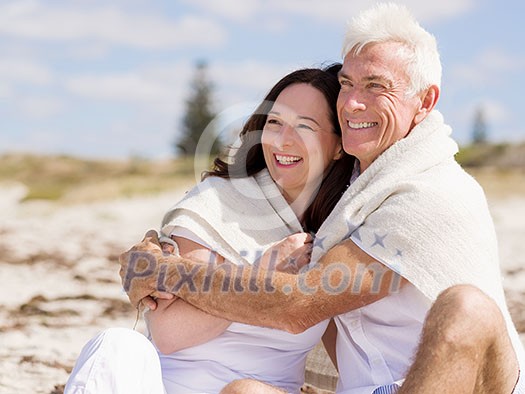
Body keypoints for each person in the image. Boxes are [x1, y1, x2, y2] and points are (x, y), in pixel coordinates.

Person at [120, 3, 525, 394]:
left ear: (425, 101)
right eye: (347, 83)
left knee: (466, 306)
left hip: (449, 383)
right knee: (245, 391)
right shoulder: (350, 190)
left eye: (376, 86)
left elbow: (298, 305)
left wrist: (168, 273)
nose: (351, 102)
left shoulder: (427, 192)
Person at [65, 65, 355, 394]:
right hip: (167, 386)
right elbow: (168, 334)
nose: (283, 141)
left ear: (338, 145)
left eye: (305, 127)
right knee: (116, 344)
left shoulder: (338, 232)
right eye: (274, 123)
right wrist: (261, 276)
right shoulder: (217, 205)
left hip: (257, 391)